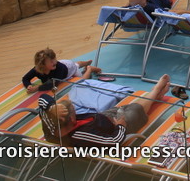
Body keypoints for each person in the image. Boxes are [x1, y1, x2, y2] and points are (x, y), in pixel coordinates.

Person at [38, 74, 173, 148]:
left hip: (100, 119)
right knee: (135, 110)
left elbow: (42, 99)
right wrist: (121, 126)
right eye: (74, 111)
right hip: (113, 129)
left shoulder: (51, 124)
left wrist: (51, 107)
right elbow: (113, 141)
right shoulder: (80, 135)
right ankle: (155, 92)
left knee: (126, 107)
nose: (76, 110)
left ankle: (155, 96)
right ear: (72, 120)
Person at [22, 48, 102, 93]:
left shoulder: (58, 67)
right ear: (42, 65)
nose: (54, 62)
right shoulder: (37, 70)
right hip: (66, 63)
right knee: (75, 64)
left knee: (82, 81)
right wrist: (28, 85)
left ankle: (89, 69)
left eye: (54, 59)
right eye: (51, 61)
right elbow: (25, 78)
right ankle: (85, 63)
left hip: (69, 69)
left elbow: (53, 84)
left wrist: (37, 88)